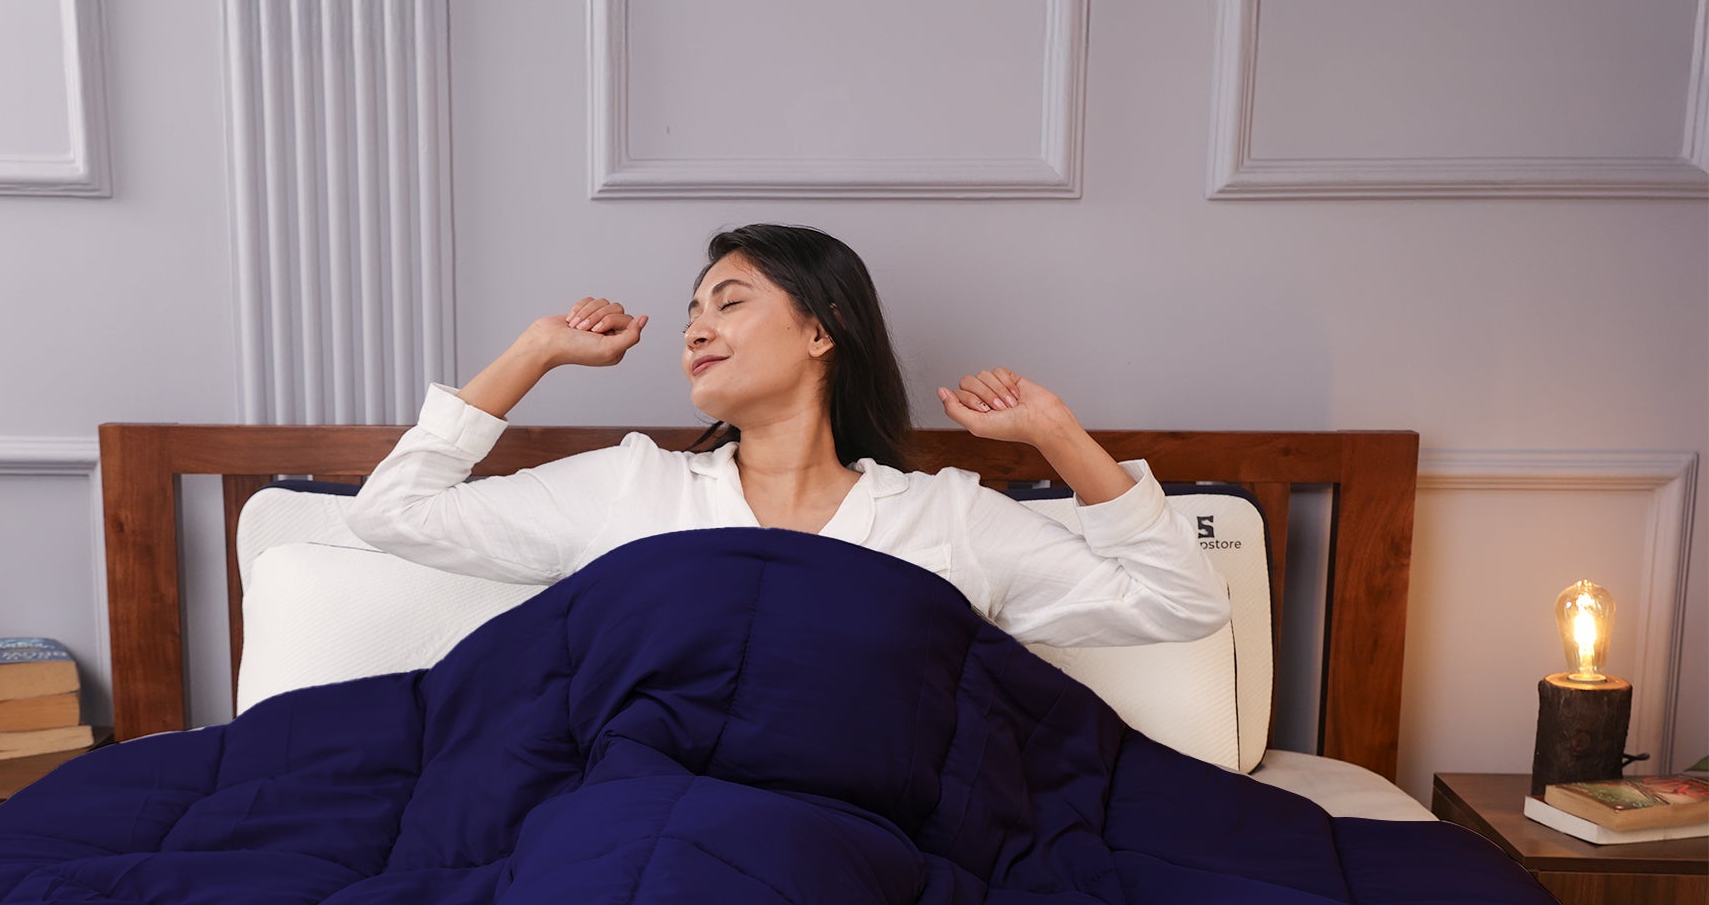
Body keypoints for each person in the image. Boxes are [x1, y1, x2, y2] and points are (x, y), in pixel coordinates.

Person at [346, 224, 1231, 648]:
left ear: (822, 332)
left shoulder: (944, 517)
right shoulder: (631, 486)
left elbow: (1182, 606)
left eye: (729, 303)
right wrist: (534, 351)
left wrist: (1056, 435)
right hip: (647, 811)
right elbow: (394, 514)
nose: (695, 329)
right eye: (693, 311)